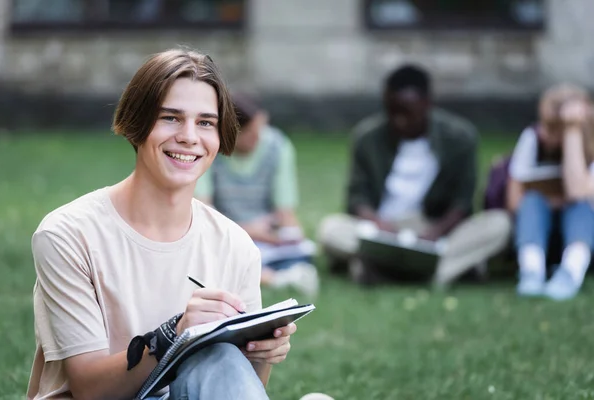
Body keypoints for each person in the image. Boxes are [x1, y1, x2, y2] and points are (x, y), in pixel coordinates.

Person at [26, 48, 314, 400]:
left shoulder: (236, 245)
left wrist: (261, 353)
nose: (190, 137)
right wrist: (174, 335)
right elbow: (89, 388)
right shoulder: (68, 235)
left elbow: (235, 385)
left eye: (205, 122)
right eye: (171, 118)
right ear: (137, 123)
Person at [317, 64, 511, 287]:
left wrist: (434, 234)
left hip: (434, 229)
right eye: (392, 112)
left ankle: (386, 270)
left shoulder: (459, 138)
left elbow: (462, 203)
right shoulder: (367, 138)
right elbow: (356, 198)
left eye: (407, 113)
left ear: (427, 104)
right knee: (330, 228)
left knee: (500, 223)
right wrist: (378, 225)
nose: (399, 120)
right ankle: (440, 271)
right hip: (384, 230)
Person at [195, 92, 319, 297]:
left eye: (261, 128)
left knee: (301, 251)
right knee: (210, 253)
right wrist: (248, 231)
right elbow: (204, 210)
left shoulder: (277, 146)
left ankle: (269, 273)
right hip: (223, 231)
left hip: (266, 235)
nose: (259, 137)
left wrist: (287, 235)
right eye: (251, 133)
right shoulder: (210, 151)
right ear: (230, 133)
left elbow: (284, 211)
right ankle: (275, 278)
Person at [507, 83, 594, 300]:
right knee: (533, 200)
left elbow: (578, 192)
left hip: (582, 232)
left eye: (555, 127)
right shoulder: (533, 139)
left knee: (581, 206)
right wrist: (551, 201)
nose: (545, 134)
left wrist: (572, 132)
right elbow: (513, 200)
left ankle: (571, 272)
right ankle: (531, 270)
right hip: (543, 229)